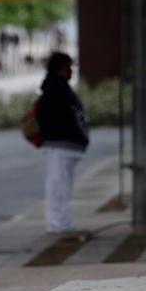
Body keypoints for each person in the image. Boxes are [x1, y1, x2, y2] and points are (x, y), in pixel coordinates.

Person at [37, 51, 89, 235]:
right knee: (58, 186)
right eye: (69, 67)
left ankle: (61, 221)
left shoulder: (59, 89)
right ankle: (57, 223)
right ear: (60, 68)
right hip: (59, 145)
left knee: (61, 186)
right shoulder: (56, 90)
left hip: (63, 145)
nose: (72, 71)